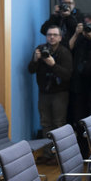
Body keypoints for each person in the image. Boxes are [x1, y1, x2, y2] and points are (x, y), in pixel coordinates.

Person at [28, 25, 73, 165]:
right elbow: (30, 69)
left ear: (60, 37)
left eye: (54, 34)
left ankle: (59, 155)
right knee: (45, 123)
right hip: (44, 93)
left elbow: (67, 75)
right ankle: (47, 153)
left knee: (58, 124)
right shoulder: (41, 49)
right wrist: (36, 59)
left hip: (59, 93)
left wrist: (53, 65)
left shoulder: (64, 52)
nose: (51, 37)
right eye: (49, 35)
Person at [67, 14, 91, 157]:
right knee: (79, 121)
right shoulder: (79, 39)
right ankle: (83, 153)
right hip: (78, 89)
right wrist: (76, 33)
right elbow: (68, 48)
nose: (89, 28)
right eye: (87, 25)